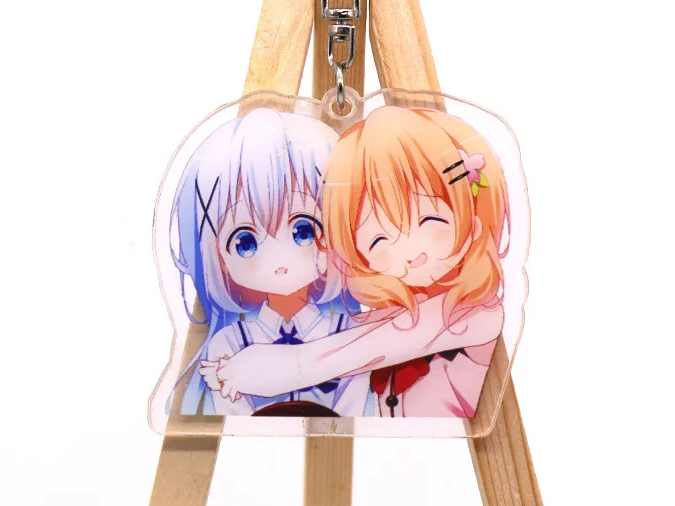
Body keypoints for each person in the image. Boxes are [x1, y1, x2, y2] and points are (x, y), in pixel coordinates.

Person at [216, 106, 510, 418]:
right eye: (378, 240)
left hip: (440, 446)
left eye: (431, 220)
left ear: (473, 219)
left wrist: (276, 368)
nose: (411, 254)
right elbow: (352, 337)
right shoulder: (393, 313)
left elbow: (358, 351)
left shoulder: (475, 313)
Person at [169, 108, 370, 418]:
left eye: (303, 231)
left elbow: (352, 415)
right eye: (245, 242)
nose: (279, 259)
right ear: (218, 255)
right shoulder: (229, 343)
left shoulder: (349, 331)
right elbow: (235, 424)